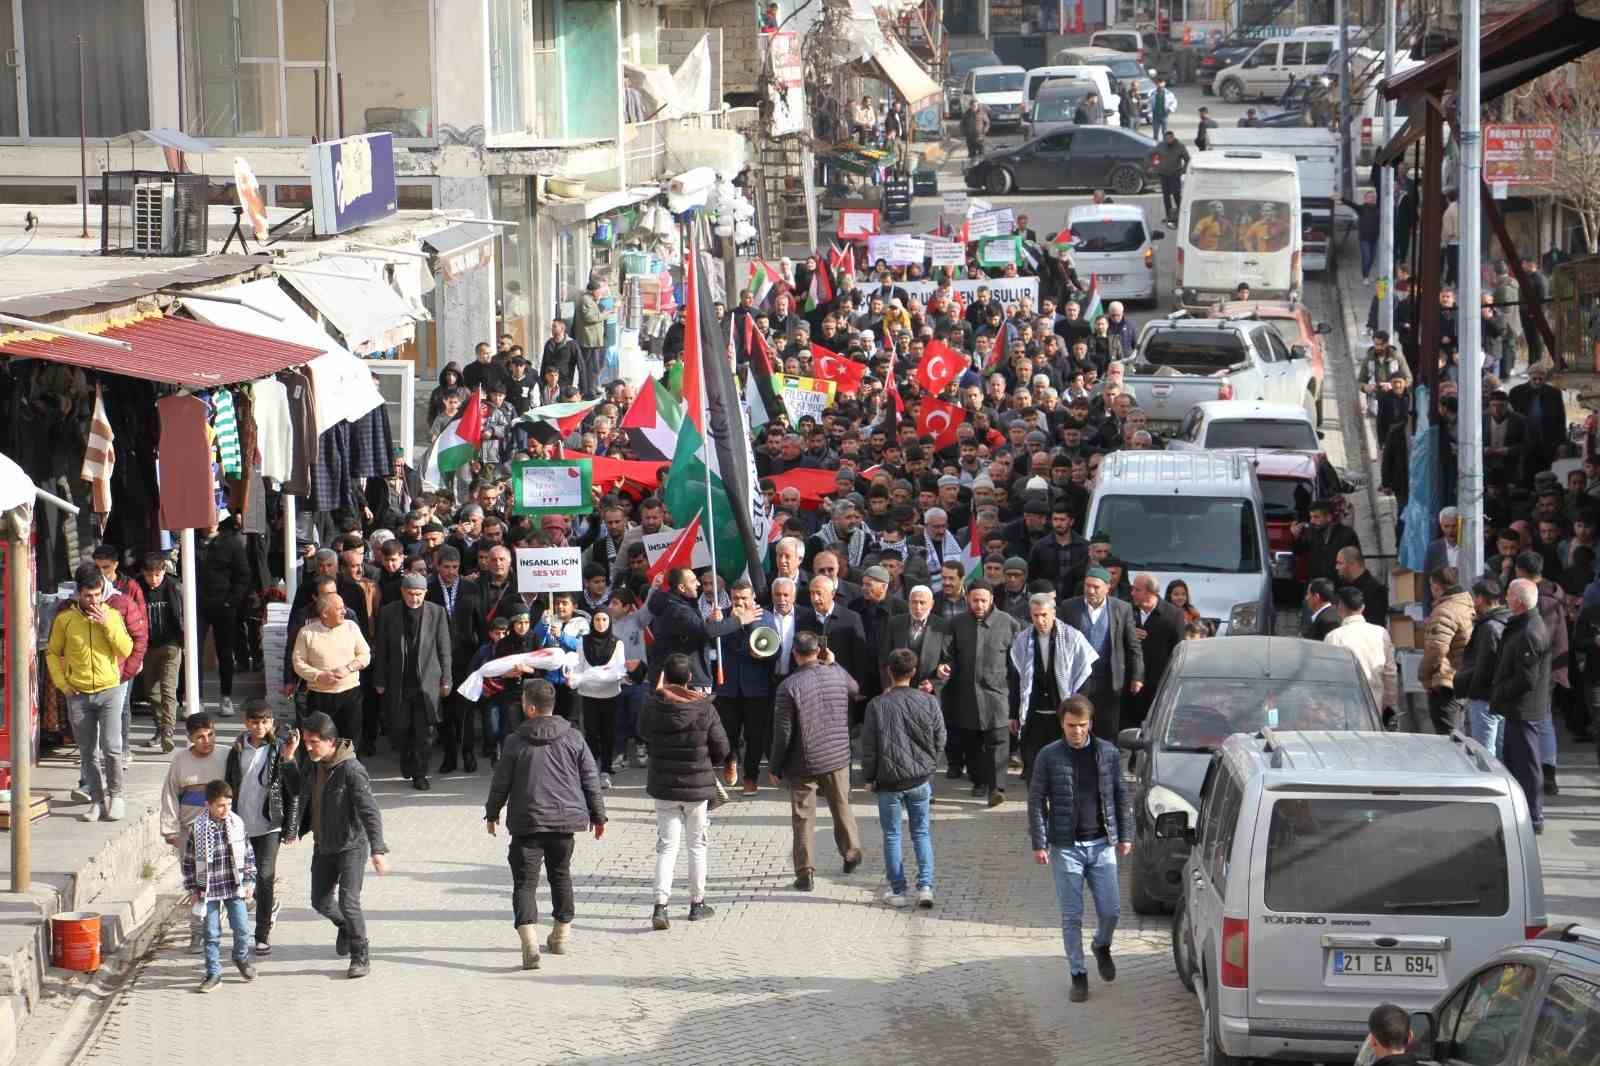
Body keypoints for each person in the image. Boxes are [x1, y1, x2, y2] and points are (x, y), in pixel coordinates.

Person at [485, 679, 607, 969]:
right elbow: (591, 779)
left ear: (529, 707)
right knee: (560, 876)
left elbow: (500, 782)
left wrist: (492, 813)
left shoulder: (515, 741)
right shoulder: (574, 737)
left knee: (524, 884)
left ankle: (529, 943)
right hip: (564, 823)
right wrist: (598, 815)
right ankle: (561, 935)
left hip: (527, 823)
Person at [1028, 694, 1132, 1004]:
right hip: (1066, 848)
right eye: (1071, 726)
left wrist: (1125, 835)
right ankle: (1078, 974)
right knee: (1071, 916)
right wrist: (1039, 841)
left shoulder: (1108, 753)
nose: (1077, 732)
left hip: (1102, 845)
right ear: (1062, 723)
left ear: (1091, 723)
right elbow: (1036, 800)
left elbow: (1120, 796)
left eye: (1082, 725)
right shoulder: (1048, 756)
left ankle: (1101, 945)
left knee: (1111, 911)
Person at [296, 712, 391, 979]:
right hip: (323, 844)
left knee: (349, 903)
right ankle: (345, 927)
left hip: (351, 846)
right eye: (306, 741)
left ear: (331, 741)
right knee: (320, 901)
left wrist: (378, 849)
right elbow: (299, 794)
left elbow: (370, 811)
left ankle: (360, 954)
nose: (309, 746)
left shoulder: (351, 770)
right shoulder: (313, 763)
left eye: (314, 741)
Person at [641, 653, 729, 928]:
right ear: (690, 678)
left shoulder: (653, 706)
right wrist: (708, 763)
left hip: (664, 787)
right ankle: (697, 903)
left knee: (666, 848)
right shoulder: (704, 708)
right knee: (697, 846)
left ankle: (660, 906)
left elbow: (641, 732)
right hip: (697, 788)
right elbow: (722, 748)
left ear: (664, 677)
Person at [770, 631, 863, 891]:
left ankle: (805, 871)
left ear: (794, 654)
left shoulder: (788, 686)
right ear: (819, 651)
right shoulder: (835, 673)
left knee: (803, 816)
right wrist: (833, 663)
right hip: (836, 756)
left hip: (803, 761)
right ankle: (851, 852)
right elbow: (855, 690)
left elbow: (783, 733)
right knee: (841, 805)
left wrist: (775, 766)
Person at [48, 562, 134, 822]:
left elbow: (125, 649)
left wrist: (106, 624)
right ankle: (96, 801)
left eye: (98, 594)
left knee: (112, 746)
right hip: (78, 693)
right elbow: (52, 653)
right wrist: (63, 684)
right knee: (87, 752)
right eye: (88, 595)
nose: (93, 600)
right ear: (78, 593)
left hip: (110, 689)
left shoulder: (113, 614)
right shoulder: (65, 620)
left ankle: (116, 796)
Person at [861, 649, 946, 908]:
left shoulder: (877, 705)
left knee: (892, 835)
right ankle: (926, 887)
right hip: (920, 779)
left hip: (888, 782)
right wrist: (929, 764)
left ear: (889, 671)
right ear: (913, 672)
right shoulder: (928, 701)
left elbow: (869, 746)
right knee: (921, 833)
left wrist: (869, 776)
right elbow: (940, 736)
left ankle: (898, 891)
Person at [223, 700, 299, 955]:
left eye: (265, 721)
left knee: (265, 877)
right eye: (254, 721)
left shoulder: (280, 749)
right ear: (246, 723)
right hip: (241, 825)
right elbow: (227, 784)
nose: (259, 726)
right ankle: (269, 906)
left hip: (269, 825)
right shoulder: (236, 750)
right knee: (246, 879)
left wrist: (290, 829)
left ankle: (262, 934)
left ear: (272, 724)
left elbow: (295, 790)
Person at [371, 572, 452, 790]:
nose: (414, 598)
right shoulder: (389, 613)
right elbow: (382, 649)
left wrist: (447, 679)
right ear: (402, 592)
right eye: (410, 593)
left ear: (425, 593)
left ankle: (420, 773)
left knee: (425, 732)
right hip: (399, 681)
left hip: (427, 682)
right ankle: (406, 758)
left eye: (419, 594)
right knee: (400, 728)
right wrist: (379, 679)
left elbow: (444, 648)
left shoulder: (437, 612)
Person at [947, 579, 1024, 806]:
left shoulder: (1009, 624)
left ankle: (997, 787)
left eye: (983, 600)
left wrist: (1015, 701)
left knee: (998, 742)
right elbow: (949, 655)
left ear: (992, 599)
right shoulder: (957, 624)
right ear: (968, 600)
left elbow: (1016, 667)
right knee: (972, 742)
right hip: (967, 694)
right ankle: (979, 782)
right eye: (974, 600)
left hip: (998, 695)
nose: (979, 605)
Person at [1010, 592, 1097, 779]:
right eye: (1035, 616)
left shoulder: (1073, 638)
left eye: (1044, 615)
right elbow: (1017, 679)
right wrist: (1013, 714)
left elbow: (1083, 678)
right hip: (1033, 715)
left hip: (1062, 713)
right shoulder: (1023, 640)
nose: (1040, 620)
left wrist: (1077, 710)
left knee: (1063, 767)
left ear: (1053, 613)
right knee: (1034, 767)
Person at [181, 780, 257, 992]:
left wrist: (250, 880)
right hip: (209, 890)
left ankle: (240, 958)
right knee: (211, 933)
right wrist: (192, 889)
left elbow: (249, 855)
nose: (226, 810)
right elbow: (188, 862)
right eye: (221, 806)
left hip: (234, 886)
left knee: (242, 928)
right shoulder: (198, 828)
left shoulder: (237, 824)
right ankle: (213, 973)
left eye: (229, 805)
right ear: (208, 805)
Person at [1493, 579, 1552, 833]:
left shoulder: (1529, 631)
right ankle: (1524, 812)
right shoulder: (1524, 626)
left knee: (1527, 764)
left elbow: (1527, 678)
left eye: (1508, 595)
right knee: (1517, 762)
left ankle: (1534, 815)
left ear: (1517, 600)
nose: (1506, 598)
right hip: (1517, 707)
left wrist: (1501, 691)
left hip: (1523, 708)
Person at [1061, 567, 1143, 741]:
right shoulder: (1069, 607)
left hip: (1109, 680)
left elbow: (1133, 645)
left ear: (1108, 587)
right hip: (1079, 680)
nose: (1090, 591)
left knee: (1107, 730)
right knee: (1079, 727)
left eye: (1096, 587)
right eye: (1087, 586)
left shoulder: (1122, 608)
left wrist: (1137, 675)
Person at [714, 580, 778, 794]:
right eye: (735, 599)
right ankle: (730, 758)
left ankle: (750, 776)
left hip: (756, 688)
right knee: (728, 732)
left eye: (744, 599)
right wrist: (734, 621)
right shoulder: (722, 616)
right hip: (728, 687)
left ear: (753, 599)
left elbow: (776, 650)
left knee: (755, 735)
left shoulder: (766, 617)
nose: (739, 603)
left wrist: (761, 652)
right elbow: (712, 639)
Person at [291, 591, 372, 748]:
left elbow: (365, 654)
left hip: (350, 694)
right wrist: (318, 675)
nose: (345, 611)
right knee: (321, 742)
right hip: (320, 697)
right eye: (339, 608)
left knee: (350, 741)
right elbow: (298, 663)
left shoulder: (351, 627)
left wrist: (348, 668)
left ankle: (350, 771)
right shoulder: (306, 633)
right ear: (325, 613)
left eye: (344, 607)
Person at [195, 518, 252, 717]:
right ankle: (196, 697)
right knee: (194, 653)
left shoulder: (231, 543)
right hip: (198, 606)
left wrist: (231, 601)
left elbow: (243, 575)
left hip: (224, 606)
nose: (210, 522)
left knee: (225, 653)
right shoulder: (191, 539)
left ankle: (225, 696)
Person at [573, 606, 628, 790]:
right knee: (591, 733)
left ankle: (606, 770)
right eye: (597, 619)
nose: (601, 623)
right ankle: (590, 769)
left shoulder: (617, 643)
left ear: (609, 621)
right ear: (592, 621)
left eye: (604, 619)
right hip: (588, 694)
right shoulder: (583, 642)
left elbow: (618, 670)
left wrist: (604, 676)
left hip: (610, 694)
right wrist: (575, 679)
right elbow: (579, 667)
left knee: (608, 733)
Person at [1324, 587, 1398, 715]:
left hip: (1344, 709)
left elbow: (1328, 675)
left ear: (1340, 607)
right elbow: (1390, 673)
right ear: (1362, 608)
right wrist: (1388, 704)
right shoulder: (1381, 633)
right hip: (1376, 706)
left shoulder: (1334, 637)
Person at [1419, 566, 1475, 735]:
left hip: (1446, 681)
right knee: (1460, 735)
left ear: (1436, 587)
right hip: (1462, 678)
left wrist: (1424, 676)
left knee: (1449, 739)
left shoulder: (1445, 610)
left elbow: (1437, 649)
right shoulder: (1466, 604)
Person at [1462, 579, 1511, 756]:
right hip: (1500, 694)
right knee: (1500, 751)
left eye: (1474, 598)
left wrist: (1471, 692)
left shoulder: (1489, 626)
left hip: (1485, 697)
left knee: (1484, 754)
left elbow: (1484, 665)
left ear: (1480, 599)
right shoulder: (1507, 619)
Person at [1127, 574, 1185, 722]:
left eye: (1137, 590)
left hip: (1158, 685)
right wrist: (1128, 632)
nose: (1132, 593)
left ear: (1150, 592)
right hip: (1129, 683)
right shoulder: (1125, 610)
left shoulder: (1174, 615)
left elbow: (1178, 650)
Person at [574, 279, 611, 399]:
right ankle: (587, 390)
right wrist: (605, 314)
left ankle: (591, 388)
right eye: (599, 291)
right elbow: (590, 317)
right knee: (589, 367)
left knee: (593, 367)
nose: (601, 293)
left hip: (592, 341)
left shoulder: (590, 300)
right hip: (588, 341)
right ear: (593, 290)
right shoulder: (586, 300)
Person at [1153, 130, 1189, 226]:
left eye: (1170, 138)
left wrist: (1182, 171)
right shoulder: (1161, 145)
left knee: (1176, 195)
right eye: (1166, 139)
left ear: (1173, 138)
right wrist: (1156, 166)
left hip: (1175, 175)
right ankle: (1169, 216)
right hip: (1164, 175)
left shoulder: (1180, 147)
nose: (1168, 140)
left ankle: (1182, 215)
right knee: (1166, 197)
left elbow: (1187, 159)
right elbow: (1154, 156)